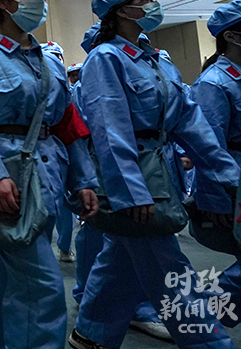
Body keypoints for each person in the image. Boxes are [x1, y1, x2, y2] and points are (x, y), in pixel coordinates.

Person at [69, 0, 240, 349]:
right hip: (135, 178)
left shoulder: (154, 60)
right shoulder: (106, 58)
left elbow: (190, 121)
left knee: (121, 261)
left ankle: (91, 334)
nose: (152, 4)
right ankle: (210, 343)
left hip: (159, 170)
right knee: (173, 276)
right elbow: (110, 130)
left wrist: (229, 174)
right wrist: (131, 191)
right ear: (120, 11)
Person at [0, 0, 98, 349]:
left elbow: (68, 123)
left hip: (48, 180)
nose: (40, 3)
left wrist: (83, 179)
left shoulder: (49, 60)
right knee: (42, 291)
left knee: (9, 281)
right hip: (9, 184)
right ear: (4, 2)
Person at [70, 23, 172, 342]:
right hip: (109, 168)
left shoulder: (152, 70)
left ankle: (94, 328)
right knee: (126, 241)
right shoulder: (97, 71)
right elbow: (100, 133)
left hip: (147, 164)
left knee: (121, 249)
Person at [190, 0, 241, 343]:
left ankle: (201, 318)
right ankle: (199, 319)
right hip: (239, 184)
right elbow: (208, 146)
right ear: (232, 36)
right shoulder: (214, 83)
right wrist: (215, 199)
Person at [42, 42, 78, 264]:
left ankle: (64, 246)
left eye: (57, 56)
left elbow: (74, 129)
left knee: (65, 208)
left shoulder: (68, 92)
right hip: (37, 155)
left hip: (61, 153)